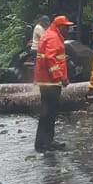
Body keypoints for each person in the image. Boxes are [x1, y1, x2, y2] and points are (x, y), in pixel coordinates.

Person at [33, 13, 73, 153]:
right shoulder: (53, 37)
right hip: (50, 83)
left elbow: (54, 58)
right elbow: (51, 59)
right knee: (49, 112)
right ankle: (45, 142)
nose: (68, 30)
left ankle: (44, 142)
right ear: (60, 27)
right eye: (66, 27)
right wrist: (59, 77)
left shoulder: (50, 35)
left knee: (47, 112)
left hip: (47, 81)